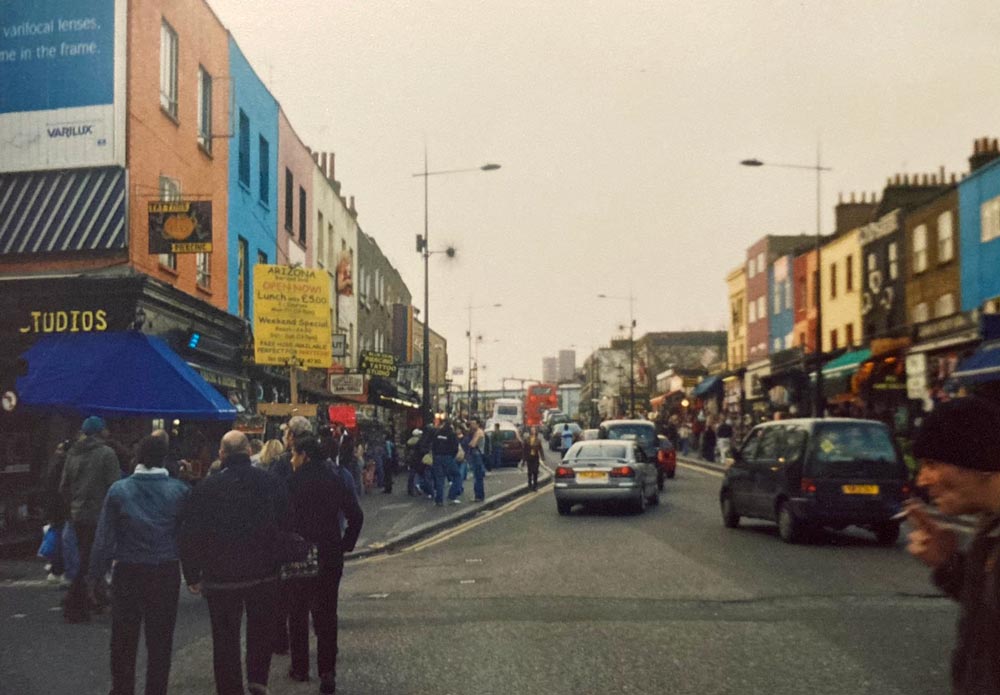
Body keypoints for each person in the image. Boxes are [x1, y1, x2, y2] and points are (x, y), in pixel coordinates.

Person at [179, 431, 290, 695]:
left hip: (221, 577)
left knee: (224, 637)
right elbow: (287, 520)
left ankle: (229, 688)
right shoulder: (270, 482)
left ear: (222, 454)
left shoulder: (207, 487)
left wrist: (192, 573)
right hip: (263, 573)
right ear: (249, 452)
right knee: (260, 630)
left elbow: (190, 532)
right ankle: (258, 680)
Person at [906, 396, 1000, 695]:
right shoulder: (989, 529)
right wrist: (948, 563)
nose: (922, 480)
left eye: (932, 464)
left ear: (980, 461)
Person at [89, 435, 191, 695]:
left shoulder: (119, 490)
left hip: (128, 570)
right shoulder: (179, 491)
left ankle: (123, 689)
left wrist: (96, 575)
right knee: (160, 641)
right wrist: (192, 573)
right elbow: (187, 536)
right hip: (165, 569)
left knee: (123, 639)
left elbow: (103, 539)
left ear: (138, 456)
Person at [286, 435, 363, 693]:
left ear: (305, 455)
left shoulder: (292, 482)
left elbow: (280, 519)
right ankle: (327, 672)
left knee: (297, 612)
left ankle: (299, 667)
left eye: (294, 454)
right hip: (330, 552)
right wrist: (346, 543)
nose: (291, 459)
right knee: (327, 613)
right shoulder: (336, 479)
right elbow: (356, 514)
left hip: (299, 553)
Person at [60, 415, 120, 623]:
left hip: (77, 513)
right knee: (92, 561)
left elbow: (63, 486)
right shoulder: (106, 454)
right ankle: (75, 602)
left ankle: (88, 599)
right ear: (100, 431)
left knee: (86, 557)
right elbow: (115, 487)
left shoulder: (72, 453)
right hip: (99, 515)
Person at [42, 439, 72, 584]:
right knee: (65, 540)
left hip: (58, 509)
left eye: (60, 449)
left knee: (59, 539)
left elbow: (52, 491)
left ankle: (57, 568)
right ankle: (62, 569)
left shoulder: (57, 467)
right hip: (65, 509)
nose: (57, 452)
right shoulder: (67, 466)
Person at [432, 419, 460, 506]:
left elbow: (433, 445)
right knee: (457, 475)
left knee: (440, 479)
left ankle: (439, 500)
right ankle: (452, 495)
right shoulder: (452, 434)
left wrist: (435, 455)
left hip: (437, 457)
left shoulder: (437, 433)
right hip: (448, 457)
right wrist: (452, 456)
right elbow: (455, 447)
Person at [467, 419, 487, 502]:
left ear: (478, 424)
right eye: (471, 423)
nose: (472, 425)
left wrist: (471, 442)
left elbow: (472, 444)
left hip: (477, 456)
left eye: (474, 424)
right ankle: (478, 495)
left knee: (478, 477)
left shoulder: (479, 432)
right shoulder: (476, 432)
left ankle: (479, 496)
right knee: (477, 477)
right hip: (476, 455)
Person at [523, 426, 545, 492]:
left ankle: (535, 486)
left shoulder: (538, 440)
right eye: (532, 430)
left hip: (535, 457)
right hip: (529, 458)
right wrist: (523, 460)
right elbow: (524, 450)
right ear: (530, 431)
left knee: (535, 472)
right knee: (530, 472)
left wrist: (543, 457)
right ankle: (529, 484)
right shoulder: (527, 439)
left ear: (536, 431)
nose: (533, 431)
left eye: (534, 430)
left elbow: (541, 449)